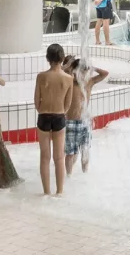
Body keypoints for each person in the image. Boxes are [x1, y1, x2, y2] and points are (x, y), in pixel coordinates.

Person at [34, 43, 74, 195]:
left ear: (47, 58)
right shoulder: (68, 79)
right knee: (59, 158)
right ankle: (60, 192)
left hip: (43, 116)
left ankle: (46, 192)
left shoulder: (41, 76)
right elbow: (67, 105)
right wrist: (59, 112)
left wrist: (44, 111)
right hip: (59, 117)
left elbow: (36, 102)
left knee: (45, 157)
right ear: (62, 58)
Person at [63, 57, 109, 176]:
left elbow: (105, 73)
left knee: (85, 151)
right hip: (70, 122)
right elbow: (61, 72)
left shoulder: (90, 82)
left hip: (85, 122)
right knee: (70, 153)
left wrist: (93, 67)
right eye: (81, 69)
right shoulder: (70, 81)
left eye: (85, 70)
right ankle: (68, 177)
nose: (83, 72)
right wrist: (70, 65)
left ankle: (85, 176)